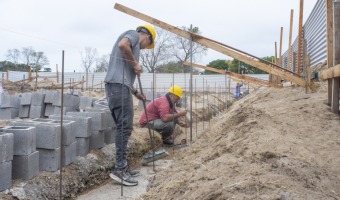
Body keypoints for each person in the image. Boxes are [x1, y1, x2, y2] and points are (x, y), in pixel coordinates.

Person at [104, 24, 156, 186]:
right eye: (148, 45)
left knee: (124, 126)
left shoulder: (133, 45)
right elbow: (122, 45)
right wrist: (135, 63)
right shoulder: (133, 34)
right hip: (117, 86)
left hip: (120, 86)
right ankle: (119, 169)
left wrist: (136, 93)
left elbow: (124, 76)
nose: (145, 48)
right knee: (124, 127)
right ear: (146, 37)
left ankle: (123, 167)